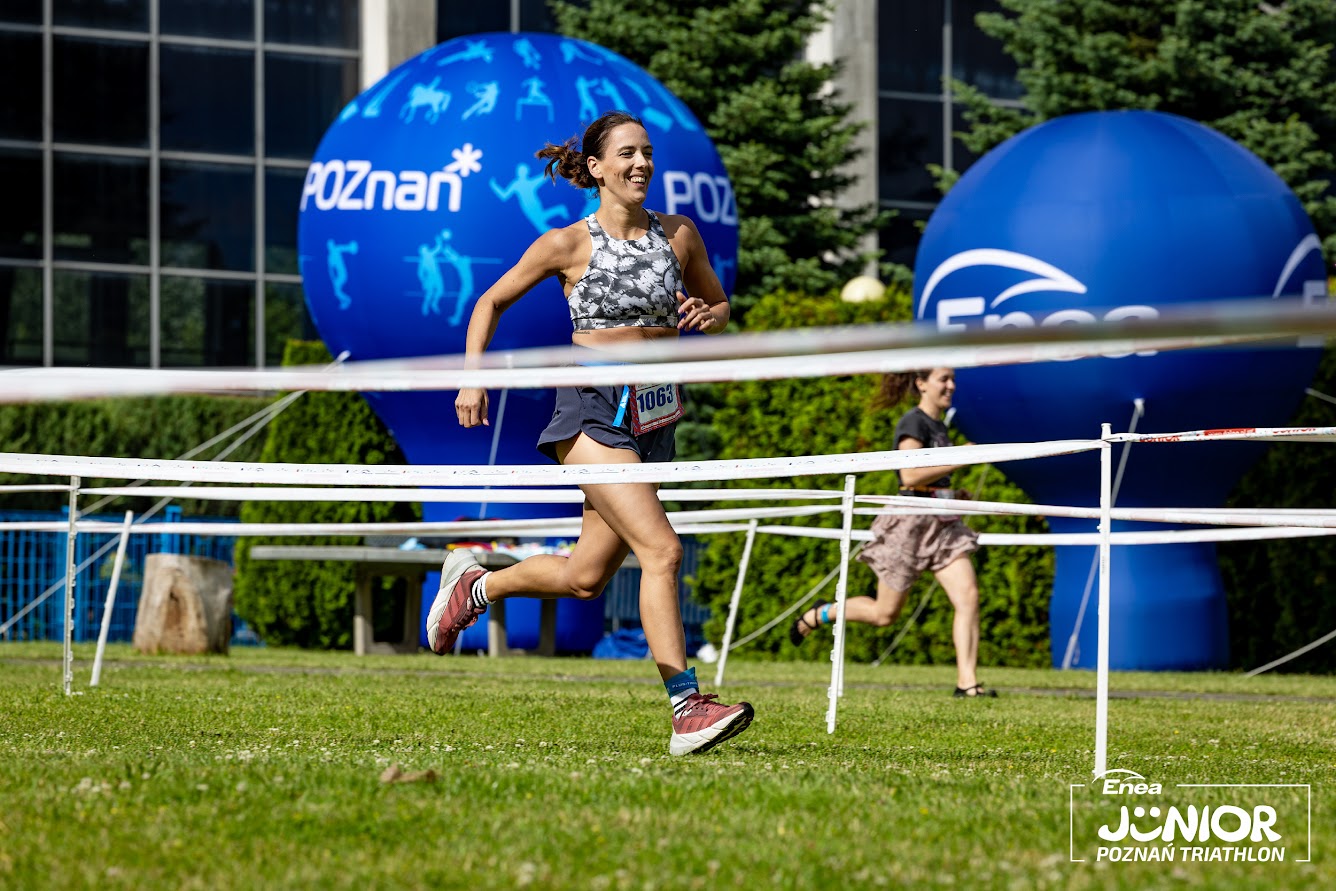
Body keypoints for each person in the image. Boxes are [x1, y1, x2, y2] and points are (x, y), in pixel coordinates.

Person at [427, 111, 754, 755]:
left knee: (585, 576)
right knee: (661, 551)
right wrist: (473, 380)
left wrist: (709, 316)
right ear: (596, 167)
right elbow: (487, 302)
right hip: (590, 408)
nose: (641, 165)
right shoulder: (567, 244)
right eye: (627, 154)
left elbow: (718, 304)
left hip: (656, 414)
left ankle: (477, 583)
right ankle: (686, 707)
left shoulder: (680, 235)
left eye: (648, 153)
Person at [790, 368, 997, 698]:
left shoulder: (941, 426)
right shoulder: (912, 422)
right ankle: (822, 613)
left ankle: (967, 683)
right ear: (921, 384)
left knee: (969, 596)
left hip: (943, 525)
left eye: (952, 379)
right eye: (943, 379)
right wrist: (961, 457)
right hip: (910, 524)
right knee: (884, 614)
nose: (951, 386)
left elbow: (930, 481)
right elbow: (911, 475)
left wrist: (954, 493)